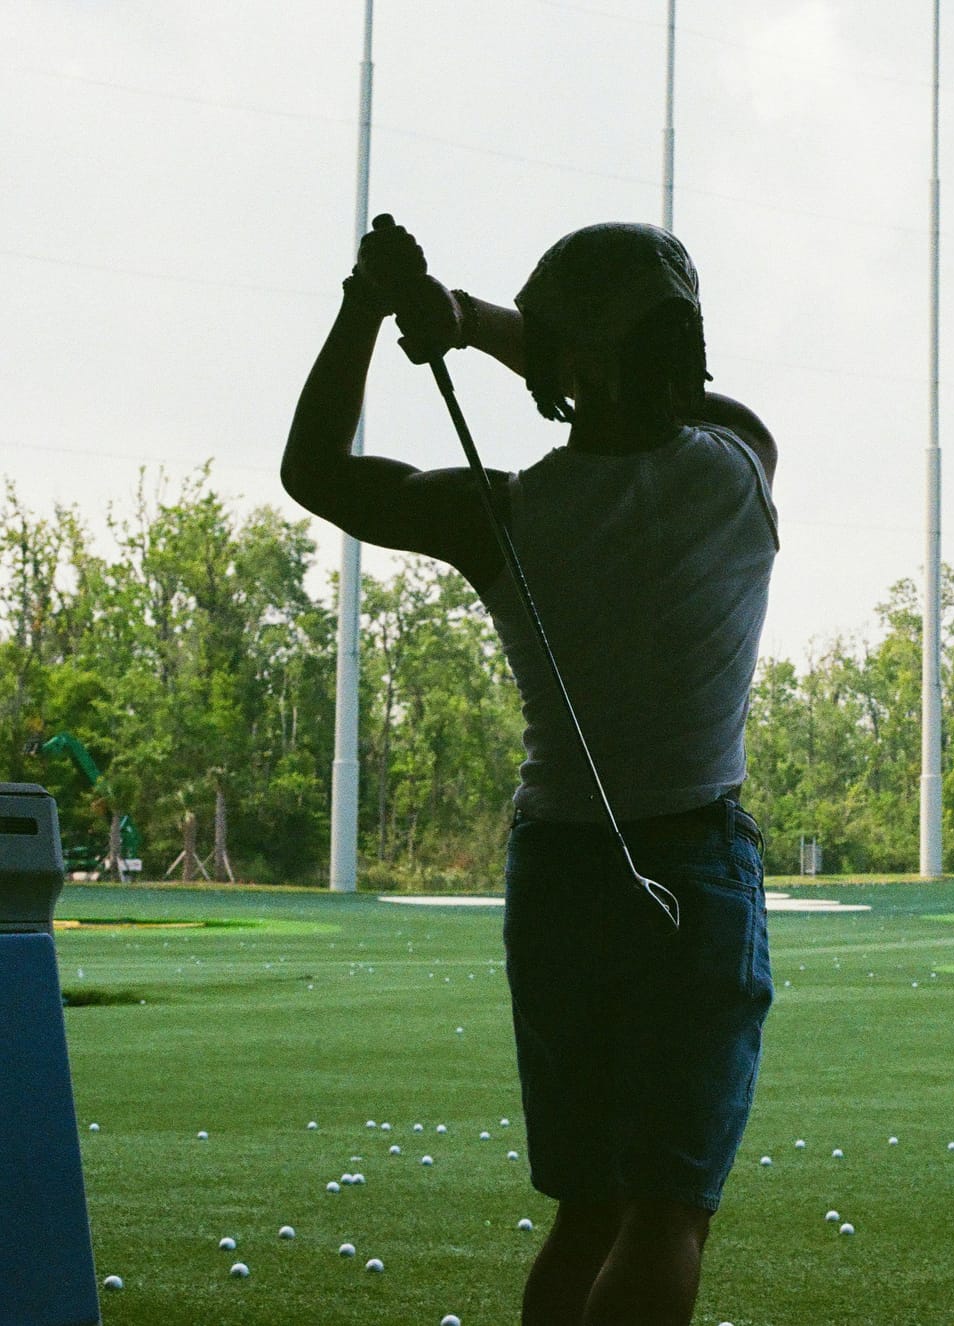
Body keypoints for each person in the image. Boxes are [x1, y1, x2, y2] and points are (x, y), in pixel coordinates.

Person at [282, 218, 779, 1326]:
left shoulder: (500, 512)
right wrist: (468, 321)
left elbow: (312, 470)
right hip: (690, 869)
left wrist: (378, 306)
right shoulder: (743, 461)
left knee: (591, 1212)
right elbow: (603, 367)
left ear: (573, 366)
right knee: (665, 1214)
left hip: (559, 870)